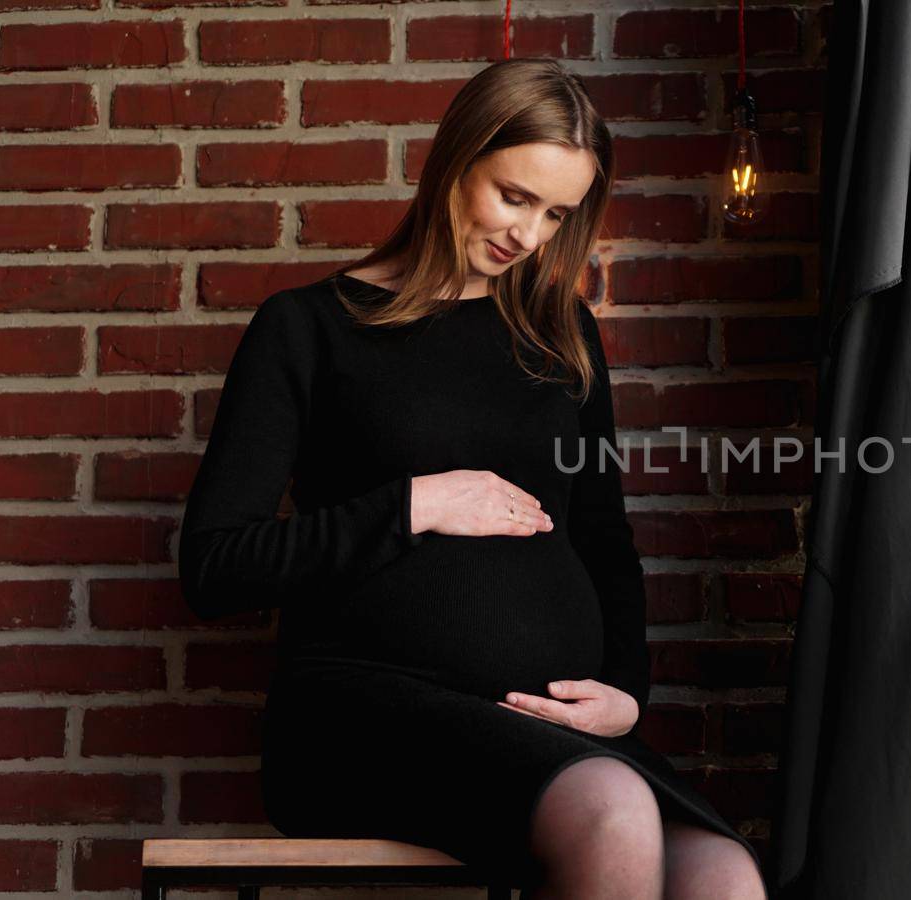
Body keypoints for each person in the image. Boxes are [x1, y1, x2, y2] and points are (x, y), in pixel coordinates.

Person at [177, 59, 767, 900]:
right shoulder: (308, 329)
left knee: (724, 876)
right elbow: (215, 566)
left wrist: (626, 699)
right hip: (362, 715)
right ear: (454, 161)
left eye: (557, 213)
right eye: (514, 196)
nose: (529, 235)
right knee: (612, 812)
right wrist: (416, 504)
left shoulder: (564, 338)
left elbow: (605, 542)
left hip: (545, 730)